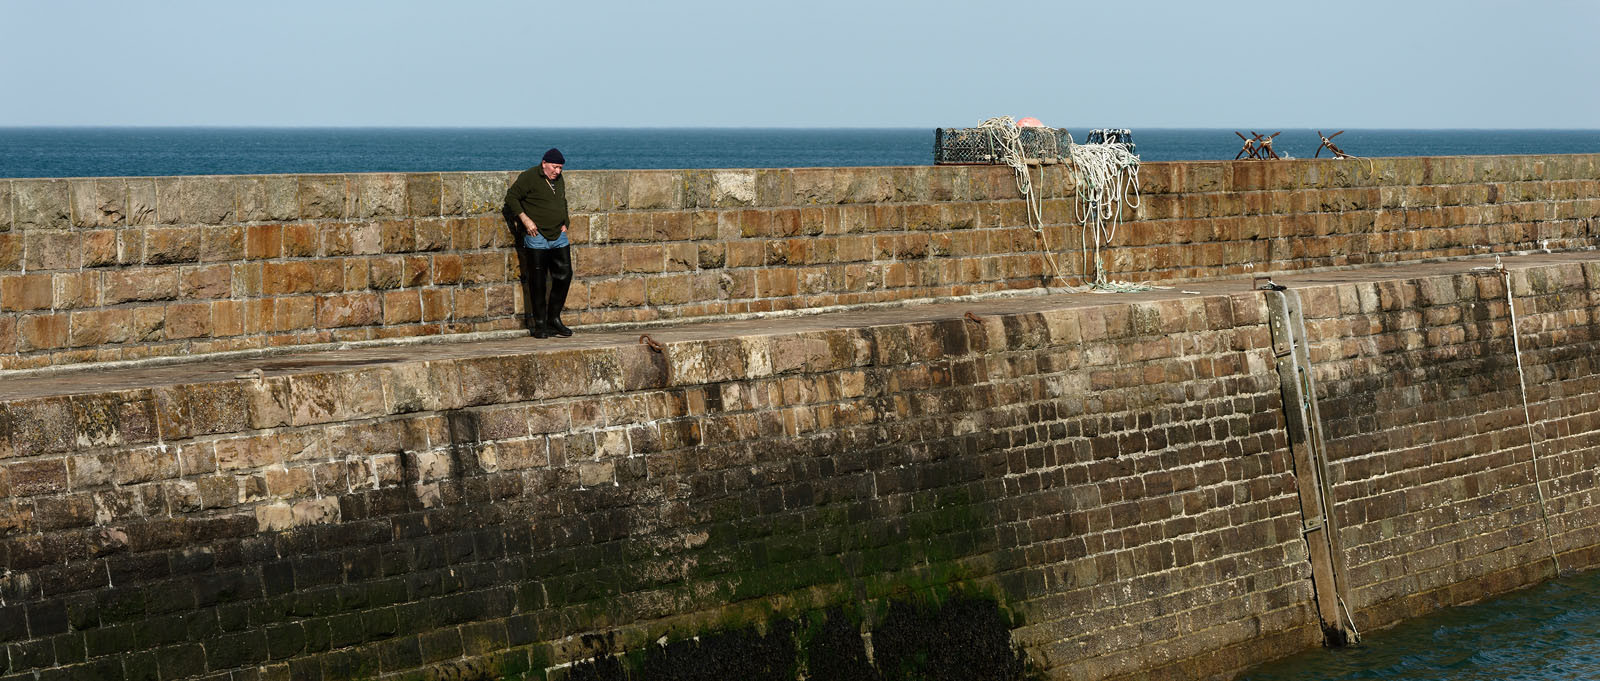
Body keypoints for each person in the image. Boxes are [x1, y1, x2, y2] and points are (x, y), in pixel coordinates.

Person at [502, 148, 573, 338]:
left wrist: (566, 221)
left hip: (558, 235)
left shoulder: (559, 179)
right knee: (538, 281)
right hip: (537, 236)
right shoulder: (529, 177)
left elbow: (562, 200)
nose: (557, 171)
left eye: (560, 168)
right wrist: (525, 220)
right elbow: (511, 198)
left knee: (565, 275)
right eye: (554, 167)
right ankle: (540, 324)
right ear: (544, 163)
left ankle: (554, 318)